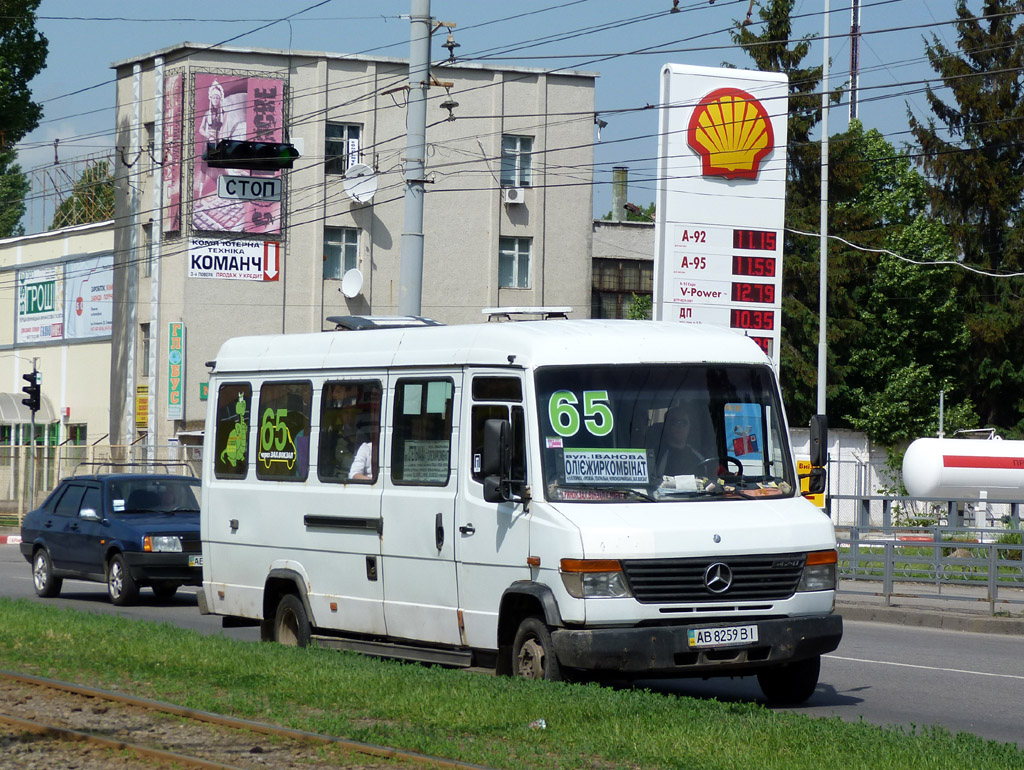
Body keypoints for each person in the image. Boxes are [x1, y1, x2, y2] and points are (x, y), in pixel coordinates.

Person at [653, 406, 705, 477]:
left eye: (684, 422)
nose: (680, 426)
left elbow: (706, 483)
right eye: (674, 422)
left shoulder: (698, 458)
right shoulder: (656, 455)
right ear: (665, 426)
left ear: (689, 426)